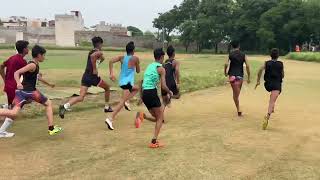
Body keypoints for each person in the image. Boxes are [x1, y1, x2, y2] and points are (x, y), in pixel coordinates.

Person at [0, 45, 62, 136]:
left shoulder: (34, 64)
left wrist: (48, 84)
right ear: (39, 55)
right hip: (30, 92)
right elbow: (16, 73)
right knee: (48, 103)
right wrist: (18, 83)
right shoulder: (32, 64)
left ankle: (51, 128)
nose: (44, 57)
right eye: (43, 55)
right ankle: (51, 128)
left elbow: (37, 77)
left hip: (22, 93)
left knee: (13, 113)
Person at [59, 37, 112, 119]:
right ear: (99, 44)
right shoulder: (97, 52)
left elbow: (100, 58)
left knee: (81, 97)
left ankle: (65, 106)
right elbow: (92, 57)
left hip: (86, 76)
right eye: (101, 44)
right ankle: (107, 107)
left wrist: (99, 61)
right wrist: (94, 68)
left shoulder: (92, 51)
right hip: (93, 77)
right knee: (107, 87)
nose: (102, 46)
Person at [136, 48, 173, 148]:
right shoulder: (161, 69)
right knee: (160, 118)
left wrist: (141, 97)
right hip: (152, 93)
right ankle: (153, 142)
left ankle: (143, 116)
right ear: (161, 57)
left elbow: (141, 82)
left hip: (145, 94)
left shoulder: (149, 66)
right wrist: (170, 92)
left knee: (158, 118)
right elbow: (164, 86)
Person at [105, 42, 140, 130]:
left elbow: (110, 61)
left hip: (122, 82)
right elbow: (138, 71)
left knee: (137, 88)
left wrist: (111, 74)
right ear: (133, 50)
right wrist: (136, 65)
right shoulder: (135, 58)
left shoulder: (122, 58)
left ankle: (127, 101)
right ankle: (110, 118)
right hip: (127, 83)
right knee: (122, 102)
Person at [0, 40, 29, 138]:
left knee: (12, 107)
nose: (28, 49)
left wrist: (5, 79)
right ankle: (2, 131)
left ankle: (4, 108)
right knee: (16, 108)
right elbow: (26, 75)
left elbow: (1, 66)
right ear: (24, 49)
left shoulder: (12, 58)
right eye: (27, 47)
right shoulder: (22, 61)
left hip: (8, 86)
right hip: (14, 88)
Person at [255, 48, 284, 130]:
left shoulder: (266, 63)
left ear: (270, 55)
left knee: (272, 97)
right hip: (276, 85)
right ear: (278, 56)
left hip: (268, 84)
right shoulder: (281, 64)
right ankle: (267, 116)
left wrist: (258, 81)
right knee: (272, 101)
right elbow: (283, 75)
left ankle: (272, 108)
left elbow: (260, 70)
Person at [224, 40, 251, 116]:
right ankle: (239, 108)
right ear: (239, 46)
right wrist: (249, 77)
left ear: (232, 46)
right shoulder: (243, 55)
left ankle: (238, 108)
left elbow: (226, 64)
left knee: (235, 94)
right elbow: (248, 66)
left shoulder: (230, 54)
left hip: (232, 76)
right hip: (240, 76)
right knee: (237, 93)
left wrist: (225, 72)